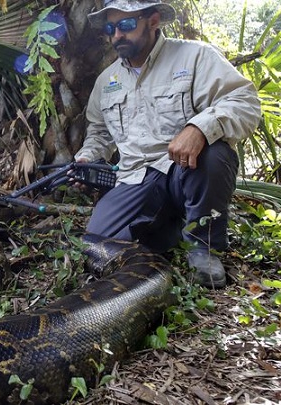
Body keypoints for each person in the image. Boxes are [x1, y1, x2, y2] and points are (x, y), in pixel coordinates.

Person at [76, 0, 261, 288]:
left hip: (184, 168)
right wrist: (87, 157)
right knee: (97, 244)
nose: (117, 35)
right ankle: (168, 232)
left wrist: (199, 128)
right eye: (111, 28)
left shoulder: (195, 56)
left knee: (215, 153)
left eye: (125, 25)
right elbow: (99, 132)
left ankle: (204, 248)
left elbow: (244, 102)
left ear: (152, 21)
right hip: (135, 178)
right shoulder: (106, 80)